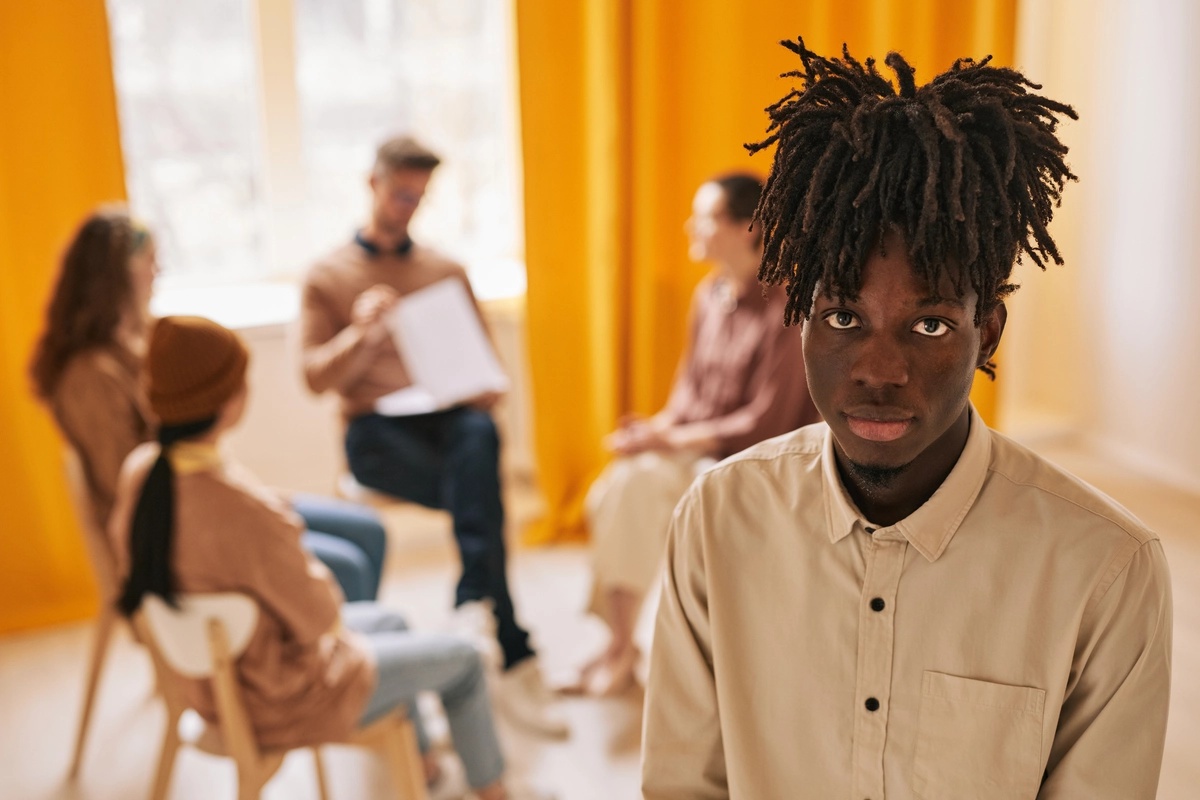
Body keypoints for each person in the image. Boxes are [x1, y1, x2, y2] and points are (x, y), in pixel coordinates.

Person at [642, 40, 1172, 799]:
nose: (880, 370)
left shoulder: (1106, 568)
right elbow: (681, 786)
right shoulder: (717, 520)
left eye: (928, 325)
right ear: (799, 320)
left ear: (988, 333)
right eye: (843, 317)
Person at [108, 315, 549, 800]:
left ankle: (420, 767)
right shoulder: (241, 514)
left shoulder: (141, 472)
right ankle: (495, 793)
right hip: (285, 697)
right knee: (464, 662)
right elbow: (319, 617)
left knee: (393, 621)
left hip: (216, 683)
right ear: (227, 401)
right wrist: (292, 544)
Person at [299, 135, 566, 737]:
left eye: (419, 198)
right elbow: (314, 379)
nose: (408, 208)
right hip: (373, 431)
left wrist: (481, 387)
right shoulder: (327, 275)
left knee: (478, 432)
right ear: (372, 184)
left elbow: (489, 373)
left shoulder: (445, 271)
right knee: (481, 500)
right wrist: (360, 336)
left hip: (445, 421)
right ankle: (509, 642)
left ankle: (479, 615)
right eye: (400, 194)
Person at [30, 208, 388, 602]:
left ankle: (355, 632)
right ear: (116, 273)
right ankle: (326, 639)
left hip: (208, 496)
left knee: (367, 531)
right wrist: (238, 507)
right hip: (171, 531)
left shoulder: (149, 339)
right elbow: (131, 484)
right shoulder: (89, 376)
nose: (159, 271)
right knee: (346, 565)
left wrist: (244, 496)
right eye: (150, 261)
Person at [573, 173, 819, 697]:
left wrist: (667, 443)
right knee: (615, 485)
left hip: (756, 460)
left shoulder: (790, 306)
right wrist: (653, 430)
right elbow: (686, 398)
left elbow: (766, 423)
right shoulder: (709, 295)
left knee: (638, 487)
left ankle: (622, 647)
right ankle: (621, 643)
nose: (690, 227)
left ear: (748, 227)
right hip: (698, 448)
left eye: (705, 217)